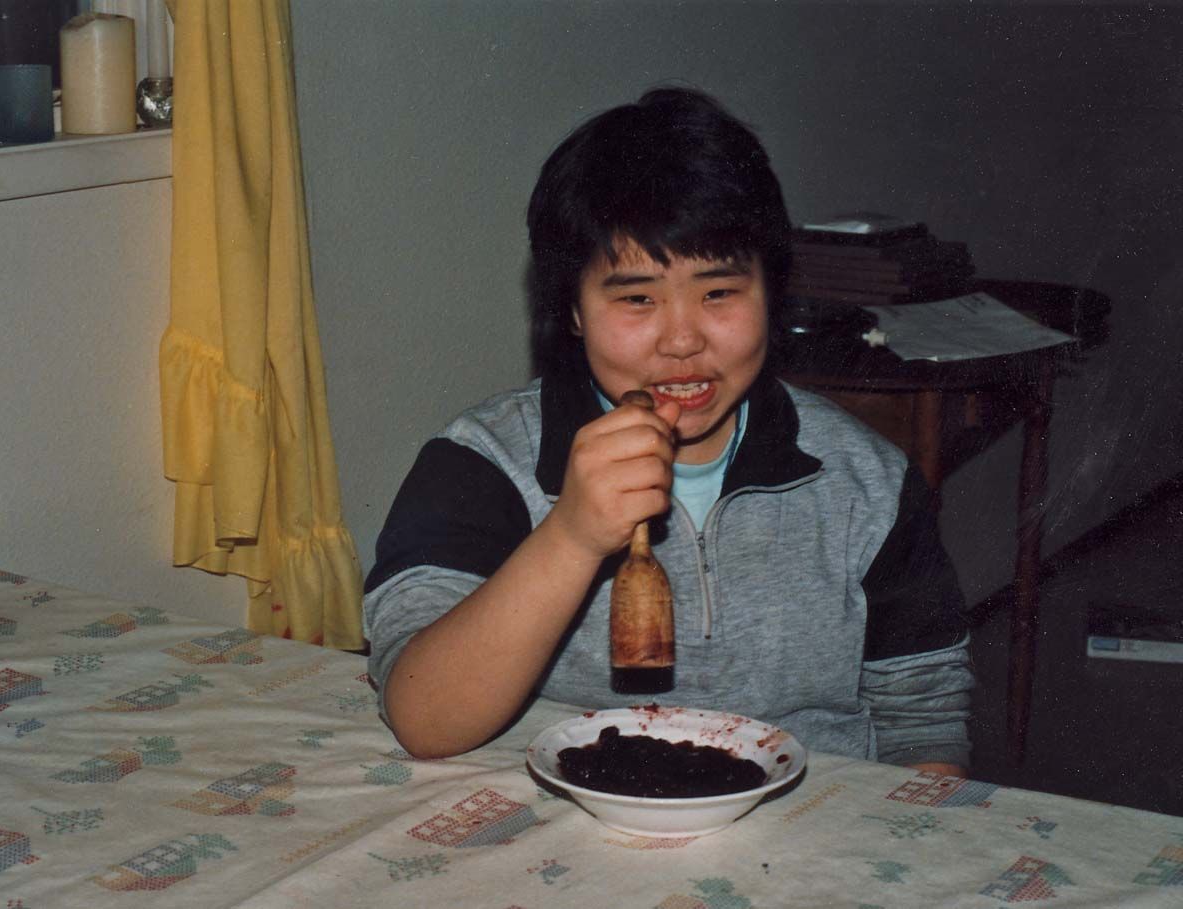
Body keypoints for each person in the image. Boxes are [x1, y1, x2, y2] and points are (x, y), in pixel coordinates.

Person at [363, 87, 973, 774]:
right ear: (572, 310)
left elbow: (925, 726)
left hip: (805, 818)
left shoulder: (867, 482)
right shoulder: (483, 461)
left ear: (772, 294)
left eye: (719, 293)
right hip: (560, 820)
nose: (682, 341)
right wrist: (571, 535)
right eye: (636, 299)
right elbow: (423, 718)